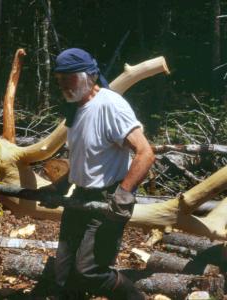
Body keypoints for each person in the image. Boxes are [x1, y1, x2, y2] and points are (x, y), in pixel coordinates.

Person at [44, 48, 155, 299]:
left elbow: (145, 152)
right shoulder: (75, 108)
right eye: (59, 79)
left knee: (89, 271)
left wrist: (124, 194)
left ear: (88, 76)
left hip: (106, 200)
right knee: (63, 274)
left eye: (68, 78)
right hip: (79, 198)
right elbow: (86, 161)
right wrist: (59, 187)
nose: (62, 85)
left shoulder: (110, 105)